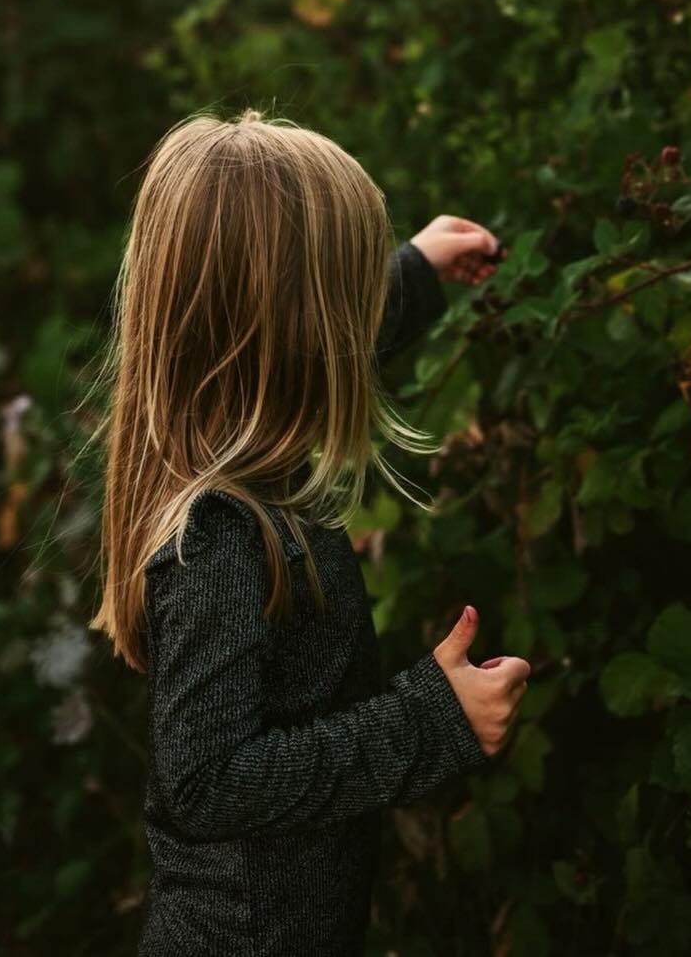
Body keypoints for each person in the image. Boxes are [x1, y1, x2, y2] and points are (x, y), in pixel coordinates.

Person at [89, 109, 531, 956]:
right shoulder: (218, 539)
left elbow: (306, 341)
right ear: (303, 325)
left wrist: (414, 271)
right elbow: (207, 781)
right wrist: (429, 720)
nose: (357, 319)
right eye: (351, 292)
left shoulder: (216, 447)